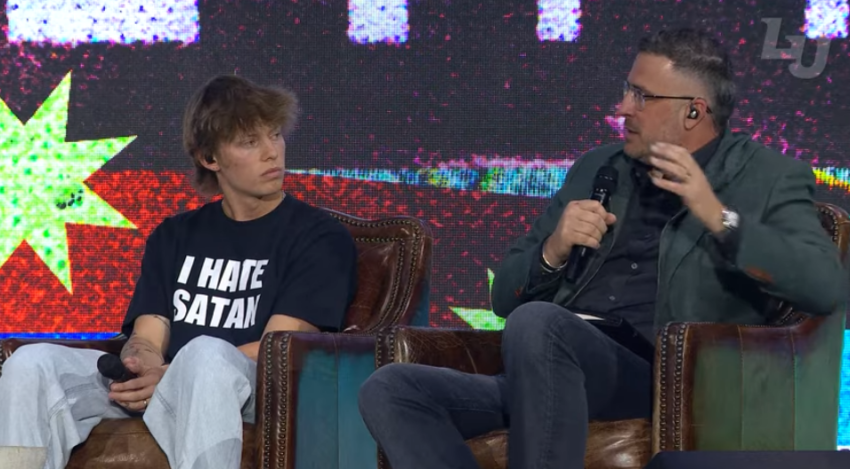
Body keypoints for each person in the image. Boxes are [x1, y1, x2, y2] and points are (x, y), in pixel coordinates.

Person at [357, 28, 846, 469]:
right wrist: (554, 248)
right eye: (626, 91)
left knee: (539, 322)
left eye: (641, 95)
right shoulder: (596, 168)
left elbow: (823, 286)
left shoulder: (766, 176)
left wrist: (714, 213)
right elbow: (504, 298)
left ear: (694, 110)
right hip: (551, 369)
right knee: (393, 389)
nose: (621, 108)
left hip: (664, 378)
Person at [0, 74, 358, 469]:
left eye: (275, 135)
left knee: (205, 355)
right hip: (166, 385)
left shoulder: (319, 236)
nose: (272, 152)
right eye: (250, 142)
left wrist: (176, 374)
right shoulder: (175, 235)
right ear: (210, 159)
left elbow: (277, 348)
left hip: (258, 390)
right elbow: (148, 337)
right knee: (29, 364)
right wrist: (139, 362)